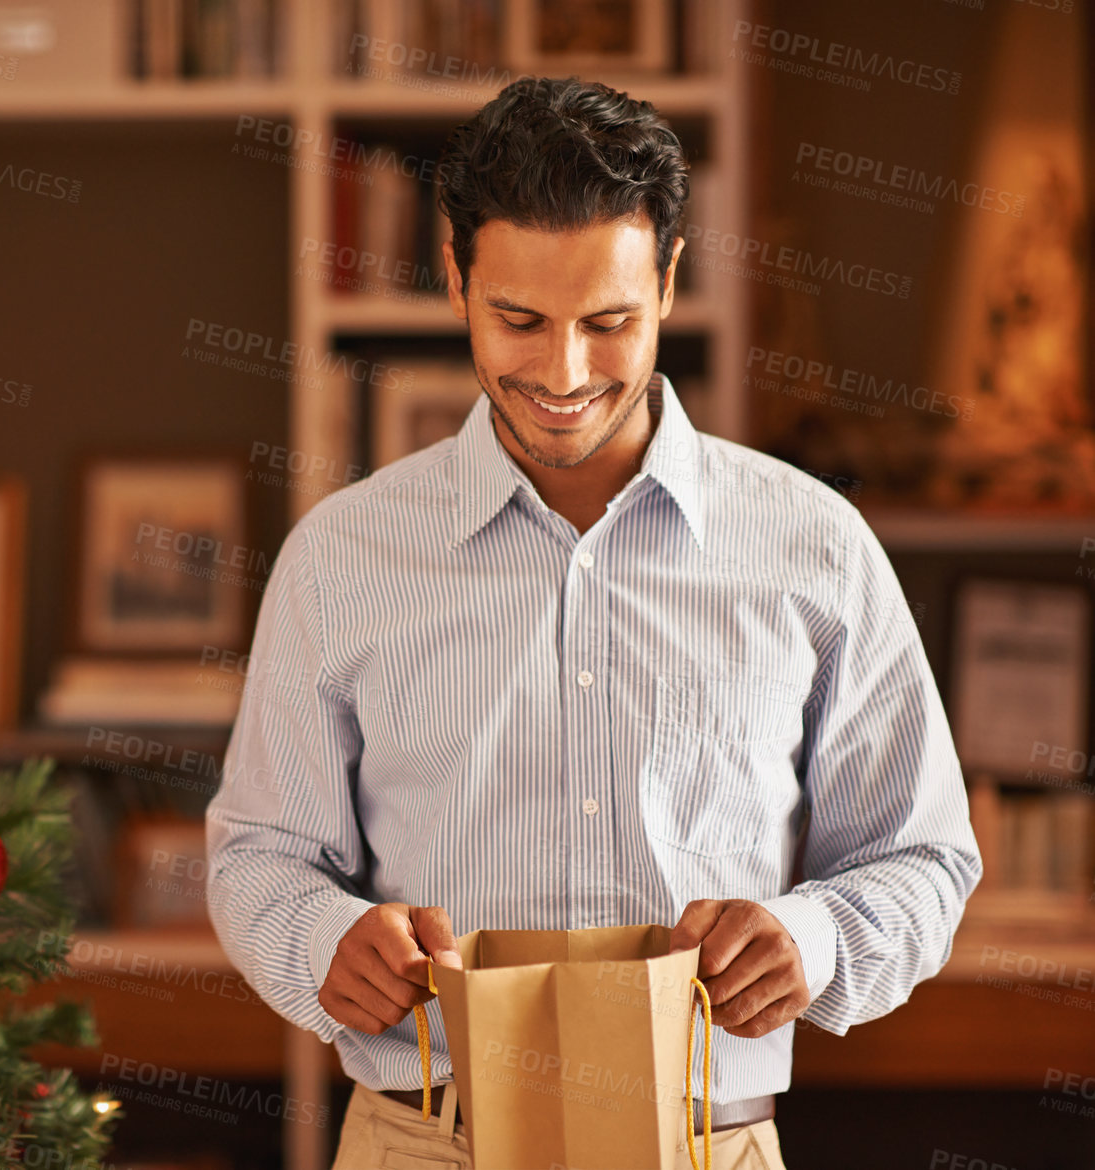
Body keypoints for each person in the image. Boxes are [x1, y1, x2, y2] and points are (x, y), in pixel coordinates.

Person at [204, 75, 983, 1170]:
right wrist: (321, 940)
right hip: (423, 1144)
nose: (563, 373)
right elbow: (259, 858)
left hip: (707, 1145)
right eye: (518, 319)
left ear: (668, 280)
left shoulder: (816, 545)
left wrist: (812, 939)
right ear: (454, 276)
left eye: (608, 323)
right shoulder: (340, 557)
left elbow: (921, 859)